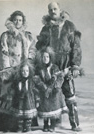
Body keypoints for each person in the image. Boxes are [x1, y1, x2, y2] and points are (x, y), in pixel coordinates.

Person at [0, 10, 36, 131]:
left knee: (24, 94)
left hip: (23, 70)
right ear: (12, 21)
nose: (18, 22)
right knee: (7, 93)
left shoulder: (28, 36)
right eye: (15, 20)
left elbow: (33, 49)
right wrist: (8, 70)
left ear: (23, 21)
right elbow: (3, 52)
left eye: (20, 20)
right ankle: (6, 124)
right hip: (10, 69)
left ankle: (24, 122)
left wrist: (27, 64)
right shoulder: (6, 36)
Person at [36, 2, 82, 132]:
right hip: (51, 67)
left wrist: (75, 66)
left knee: (70, 95)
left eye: (55, 9)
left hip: (65, 67)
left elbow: (76, 47)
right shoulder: (46, 28)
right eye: (50, 10)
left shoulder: (69, 26)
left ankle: (75, 124)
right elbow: (40, 47)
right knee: (50, 95)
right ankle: (50, 124)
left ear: (60, 10)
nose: (53, 11)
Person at [34, 46, 67, 132]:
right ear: (41, 58)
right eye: (44, 57)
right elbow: (36, 79)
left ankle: (52, 124)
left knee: (53, 108)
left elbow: (60, 77)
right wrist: (43, 87)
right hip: (44, 91)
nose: (45, 59)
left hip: (53, 91)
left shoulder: (54, 67)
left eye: (47, 57)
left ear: (50, 57)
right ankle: (45, 124)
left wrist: (55, 86)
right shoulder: (38, 68)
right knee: (45, 107)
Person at [9, 60, 37, 132]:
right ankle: (20, 127)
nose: (25, 73)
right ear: (20, 72)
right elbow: (13, 89)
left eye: (27, 71)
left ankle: (27, 127)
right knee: (19, 115)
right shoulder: (18, 81)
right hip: (19, 101)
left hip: (29, 101)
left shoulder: (31, 81)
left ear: (29, 72)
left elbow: (35, 91)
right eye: (23, 71)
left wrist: (37, 100)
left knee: (28, 116)